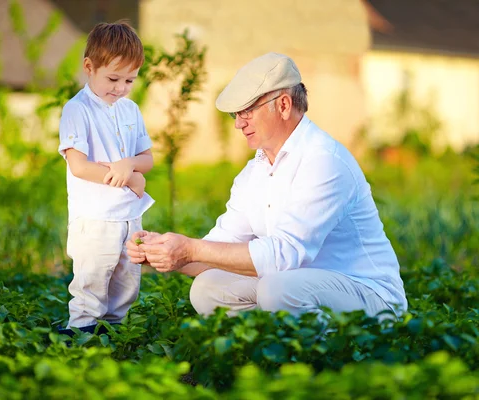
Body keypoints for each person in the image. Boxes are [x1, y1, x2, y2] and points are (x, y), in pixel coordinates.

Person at [127, 52, 407, 318]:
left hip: (369, 296)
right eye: (235, 115)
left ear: (283, 105)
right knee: (207, 288)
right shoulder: (255, 171)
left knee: (278, 288)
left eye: (246, 111)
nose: (238, 124)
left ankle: (321, 361)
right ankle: (264, 354)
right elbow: (216, 248)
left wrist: (189, 248)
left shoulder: (324, 161)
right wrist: (162, 252)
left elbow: (285, 255)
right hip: (299, 288)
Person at [57, 21, 155, 334]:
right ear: (89, 67)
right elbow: (80, 166)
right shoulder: (77, 109)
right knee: (92, 282)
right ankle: (82, 337)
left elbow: (147, 159)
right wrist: (130, 179)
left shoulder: (131, 110)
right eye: (113, 78)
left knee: (126, 285)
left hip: (129, 216)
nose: (121, 87)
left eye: (130, 80)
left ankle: (115, 338)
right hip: (95, 218)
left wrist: (129, 165)